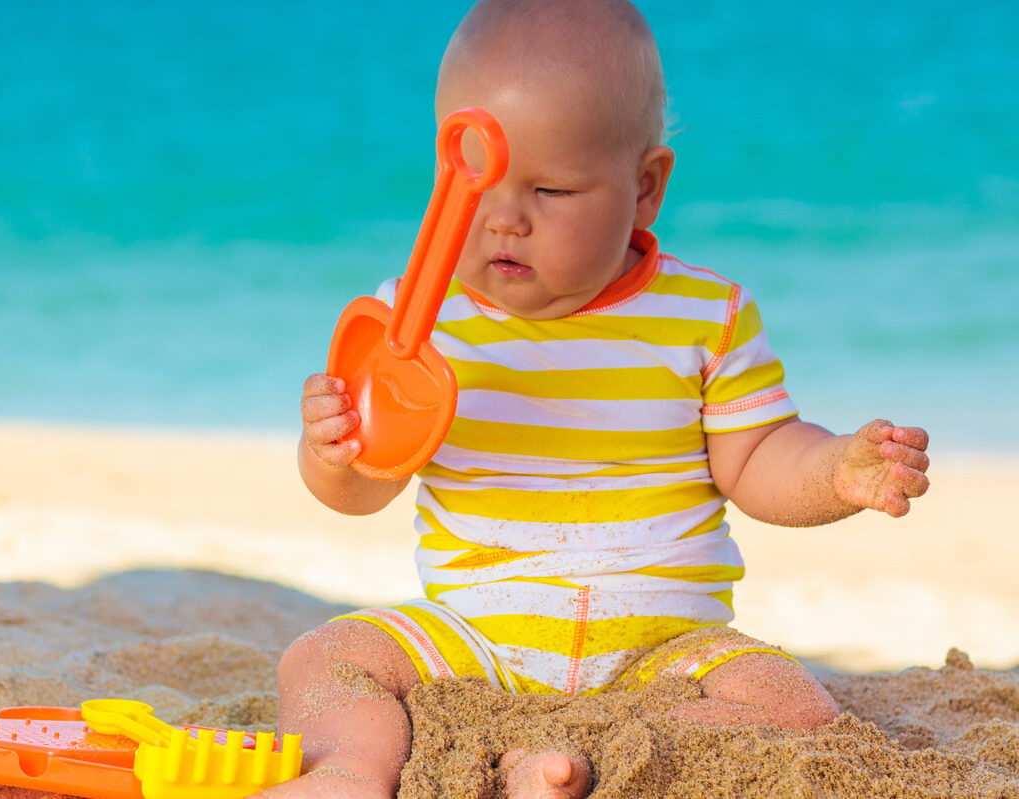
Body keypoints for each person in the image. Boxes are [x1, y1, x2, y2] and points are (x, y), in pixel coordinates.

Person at [270, 1, 931, 798]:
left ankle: (582, 756)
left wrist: (833, 472)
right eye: (473, 177)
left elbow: (756, 459)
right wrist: (331, 450)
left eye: (550, 189)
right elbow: (361, 489)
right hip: (473, 635)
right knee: (322, 660)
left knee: (795, 707)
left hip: (664, 647)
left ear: (645, 187)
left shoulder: (705, 316)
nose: (503, 217)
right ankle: (348, 770)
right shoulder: (417, 318)